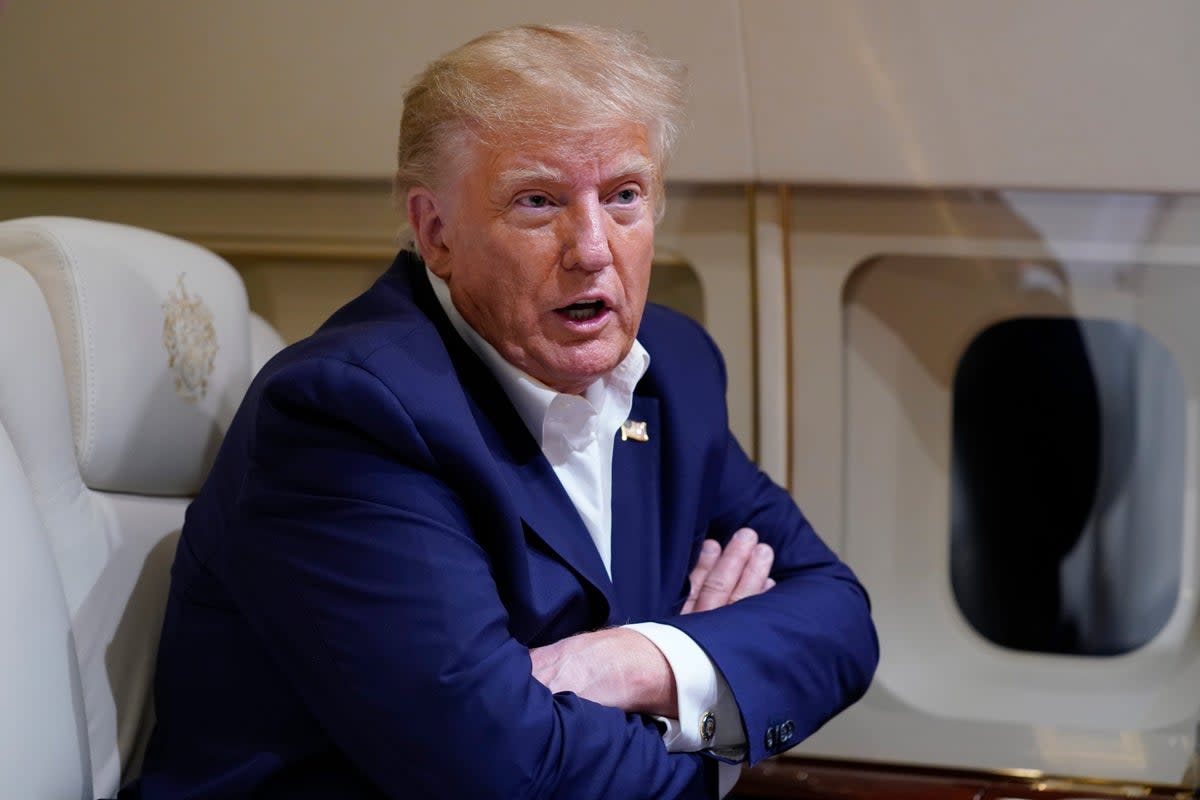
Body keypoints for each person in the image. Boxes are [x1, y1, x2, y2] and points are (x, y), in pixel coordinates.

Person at [125, 24, 878, 800]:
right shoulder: (347, 416)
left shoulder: (675, 368)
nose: (592, 248)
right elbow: (503, 774)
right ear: (436, 232)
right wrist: (716, 719)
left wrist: (632, 660)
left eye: (624, 195)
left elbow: (837, 620)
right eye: (538, 201)